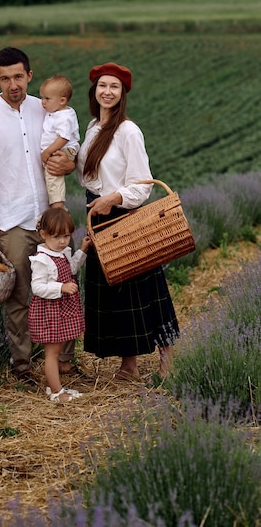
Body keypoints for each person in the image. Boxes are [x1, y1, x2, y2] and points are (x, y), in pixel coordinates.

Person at [0, 47, 77, 383]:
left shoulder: (47, 109)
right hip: (12, 221)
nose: (12, 84)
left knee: (65, 287)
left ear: (29, 75)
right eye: (5, 78)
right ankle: (22, 366)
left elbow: (69, 147)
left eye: (18, 76)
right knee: (19, 296)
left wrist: (70, 163)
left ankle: (64, 363)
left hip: (52, 221)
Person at [77, 62, 179, 380]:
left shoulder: (128, 132)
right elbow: (88, 176)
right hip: (98, 217)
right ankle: (128, 366)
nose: (107, 91)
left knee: (146, 293)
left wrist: (113, 198)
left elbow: (142, 184)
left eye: (114, 87)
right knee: (116, 296)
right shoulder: (93, 127)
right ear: (94, 90)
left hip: (124, 218)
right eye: (102, 85)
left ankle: (168, 364)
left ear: (123, 94)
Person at [28, 208, 91, 402]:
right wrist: (61, 287)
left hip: (62, 309)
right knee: (52, 353)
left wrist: (82, 250)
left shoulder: (62, 252)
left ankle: (55, 387)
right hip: (50, 311)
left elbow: (71, 268)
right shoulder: (41, 259)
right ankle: (56, 392)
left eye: (66, 235)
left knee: (57, 349)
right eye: (56, 236)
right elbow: (37, 287)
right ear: (43, 234)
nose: (62, 241)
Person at [39, 75, 80, 209]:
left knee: (53, 174)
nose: (43, 102)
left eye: (47, 99)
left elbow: (64, 137)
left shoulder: (64, 117)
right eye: (42, 98)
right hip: (58, 149)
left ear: (62, 100)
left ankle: (58, 206)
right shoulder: (55, 112)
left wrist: (48, 151)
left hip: (63, 149)